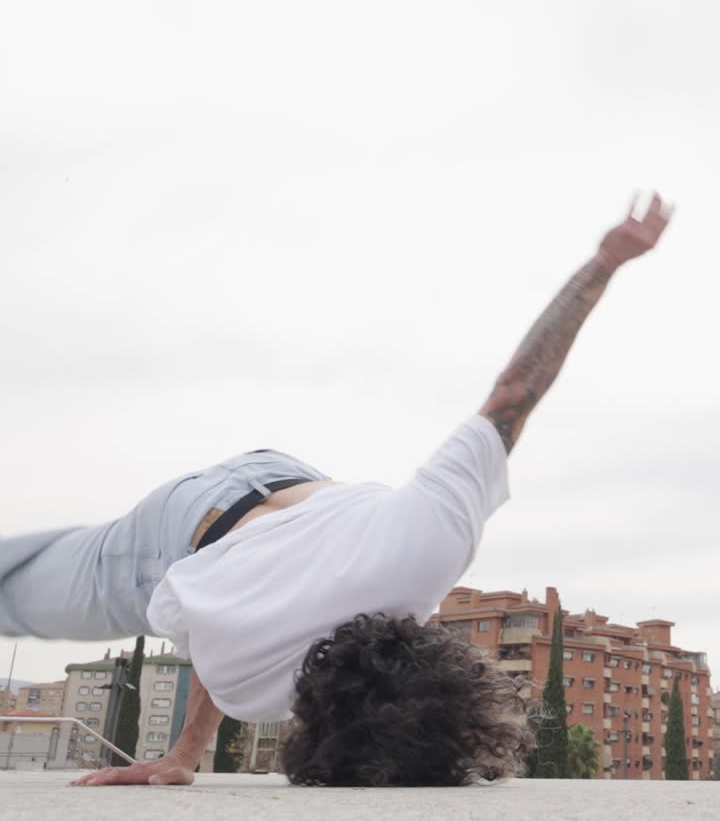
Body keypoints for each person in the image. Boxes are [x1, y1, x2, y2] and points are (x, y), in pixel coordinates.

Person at [0, 193, 672, 787]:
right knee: (19, 600)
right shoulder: (256, 688)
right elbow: (207, 610)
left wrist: (604, 264)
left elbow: (517, 392)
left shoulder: (428, 547)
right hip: (172, 541)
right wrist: (185, 752)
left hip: (278, 475)